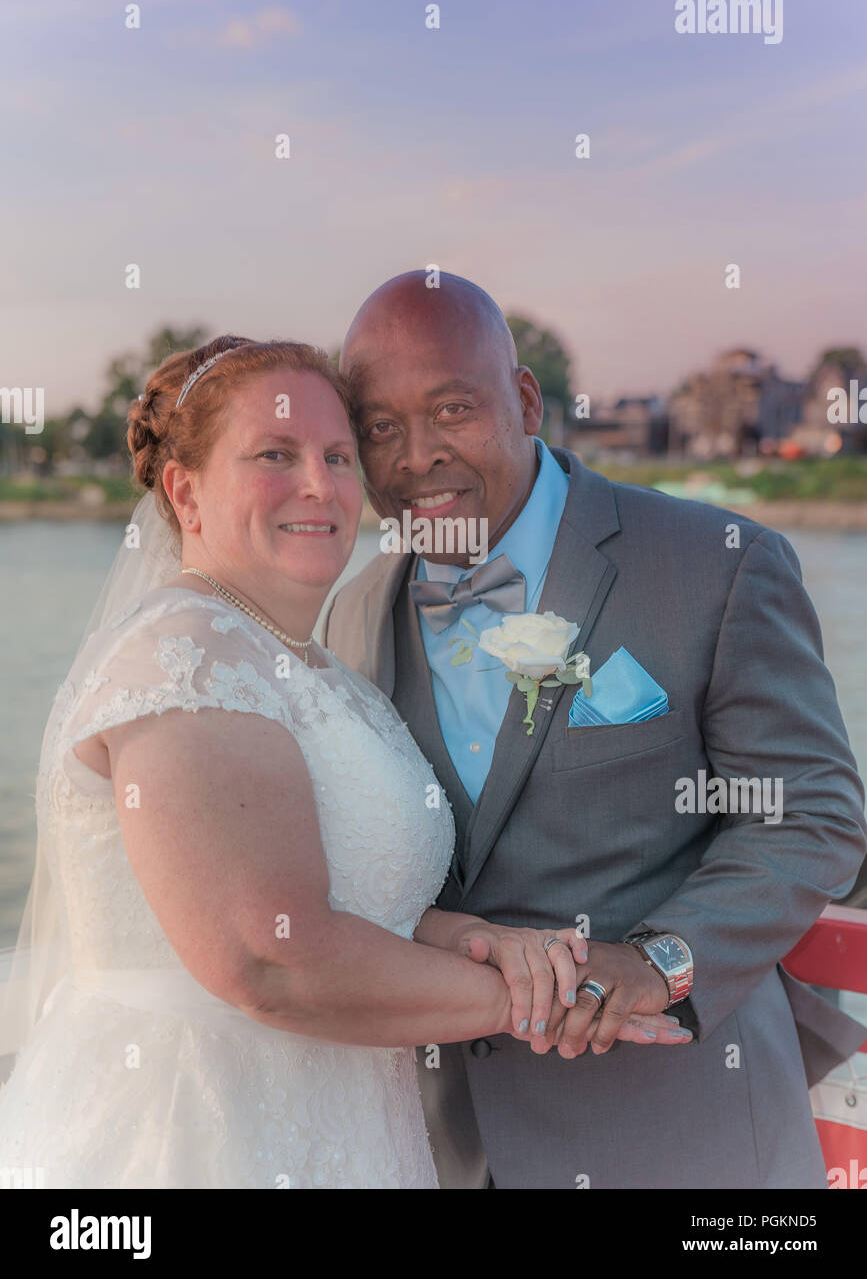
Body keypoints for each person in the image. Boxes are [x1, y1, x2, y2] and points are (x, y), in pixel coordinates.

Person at [0, 335, 685, 1190]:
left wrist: (482, 941)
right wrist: (545, 1000)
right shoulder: (184, 659)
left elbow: (350, 902)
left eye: (336, 455)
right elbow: (271, 959)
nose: (320, 485)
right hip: (193, 1134)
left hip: (347, 1126)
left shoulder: (318, 668)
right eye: (275, 456)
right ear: (186, 491)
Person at [323, 270, 867, 1189]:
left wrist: (661, 964)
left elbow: (807, 810)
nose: (414, 456)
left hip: (681, 1139)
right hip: (441, 1148)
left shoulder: (716, 566)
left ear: (526, 400)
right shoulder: (351, 615)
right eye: (378, 427)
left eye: (452, 409)